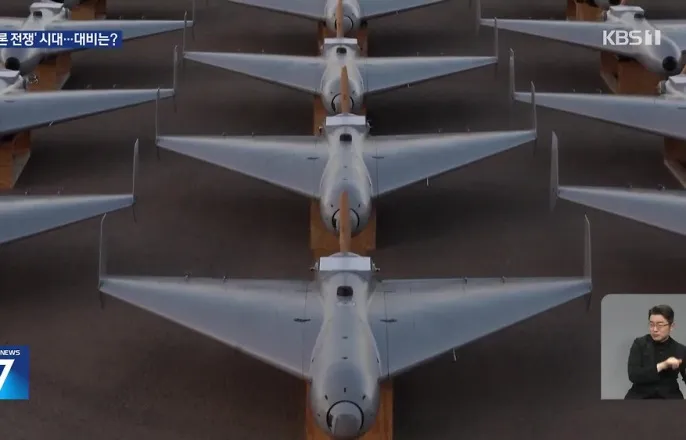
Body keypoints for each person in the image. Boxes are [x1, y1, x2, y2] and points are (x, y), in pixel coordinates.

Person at [625, 304, 686, 399]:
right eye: (651, 324)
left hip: (670, 398)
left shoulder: (680, 349)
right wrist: (662, 365)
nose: (655, 329)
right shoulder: (640, 344)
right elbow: (633, 375)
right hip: (640, 397)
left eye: (660, 325)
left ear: (671, 326)